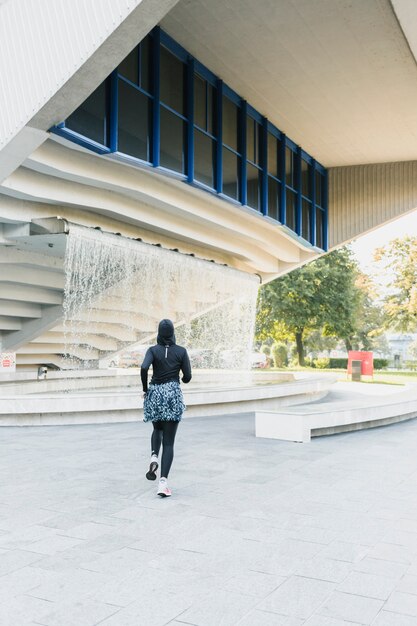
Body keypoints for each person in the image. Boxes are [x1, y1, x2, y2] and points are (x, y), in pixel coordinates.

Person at [141, 319, 192, 497]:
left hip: (155, 393)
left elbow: (144, 367)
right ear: (172, 333)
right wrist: (182, 378)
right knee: (169, 442)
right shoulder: (181, 351)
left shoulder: (152, 350)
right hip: (172, 394)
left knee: (157, 428)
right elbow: (187, 376)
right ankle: (162, 483)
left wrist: (146, 389)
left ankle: (154, 455)